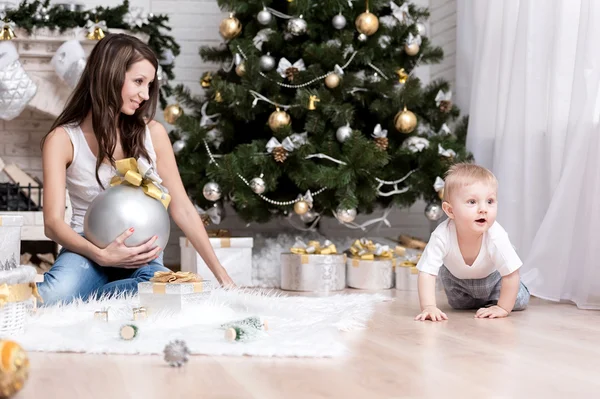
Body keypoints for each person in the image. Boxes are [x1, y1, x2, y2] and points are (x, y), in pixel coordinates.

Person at [38, 34, 234, 306]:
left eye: (149, 85)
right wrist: (101, 255)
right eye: (138, 82)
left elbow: (183, 209)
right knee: (50, 298)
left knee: (169, 293)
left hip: (143, 254)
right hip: (85, 248)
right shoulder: (62, 140)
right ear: (110, 75)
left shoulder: (153, 134)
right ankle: (99, 294)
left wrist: (222, 275)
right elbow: (53, 224)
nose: (145, 94)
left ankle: (90, 299)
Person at [414, 163, 530, 321]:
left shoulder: (495, 234)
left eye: (490, 201)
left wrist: (503, 308)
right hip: (457, 283)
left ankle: (503, 298)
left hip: (494, 280)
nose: (483, 209)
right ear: (450, 210)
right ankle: (484, 302)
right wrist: (429, 307)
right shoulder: (442, 234)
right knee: (459, 306)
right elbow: (427, 271)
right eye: (472, 202)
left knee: (517, 300)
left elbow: (510, 274)